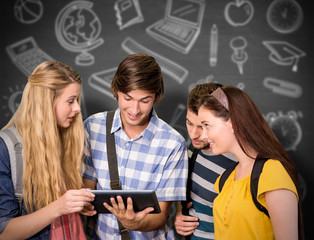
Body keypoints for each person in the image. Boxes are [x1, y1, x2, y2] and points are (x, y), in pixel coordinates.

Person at [83, 53, 188, 239]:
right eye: (128, 98)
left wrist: (135, 223)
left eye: (145, 101)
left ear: (157, 96)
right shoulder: (93, 127)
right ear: (116, 90)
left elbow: (161, 215)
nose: (134, 110)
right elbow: (86, 189)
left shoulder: (173, 143)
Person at [0, 61, 96, 240]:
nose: (77, 108)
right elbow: (4, 232)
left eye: (77, 100)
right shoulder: (5, 150)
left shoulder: (65, 140)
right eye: (70, 101)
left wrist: (76, 205)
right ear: (46, 102)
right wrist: (59, 207)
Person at [197, 85, 304, 240]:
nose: (203, 136)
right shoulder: (225, 179)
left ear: (232, 122)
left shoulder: (272, 173)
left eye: (207, 125)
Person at [174, 83, 237, 240]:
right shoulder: (191, 150)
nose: (194, 134)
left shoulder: (240, 163)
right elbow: (190, 197)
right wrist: (179, 214)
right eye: (189, 123)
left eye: (203, 126)